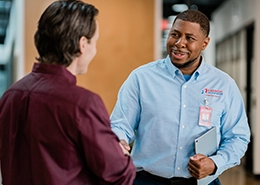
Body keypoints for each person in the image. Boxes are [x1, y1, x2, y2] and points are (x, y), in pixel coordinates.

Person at [0, 0, 136, 184]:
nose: (94, 50)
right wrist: (119, 153)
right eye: (94, 42)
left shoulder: (10, 96)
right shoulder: (83, 104)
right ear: (82, 44)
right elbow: (118, 175)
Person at [110, 9, 250, 185]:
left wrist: (215, 163)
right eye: (174, 34)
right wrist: (118, 141)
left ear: (205, 43)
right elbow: (120, 124)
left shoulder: (224, 85)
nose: (179, 43)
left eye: (189, 38)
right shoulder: (141, 78)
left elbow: (238, 136)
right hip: (146, 180)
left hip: (202, 182)